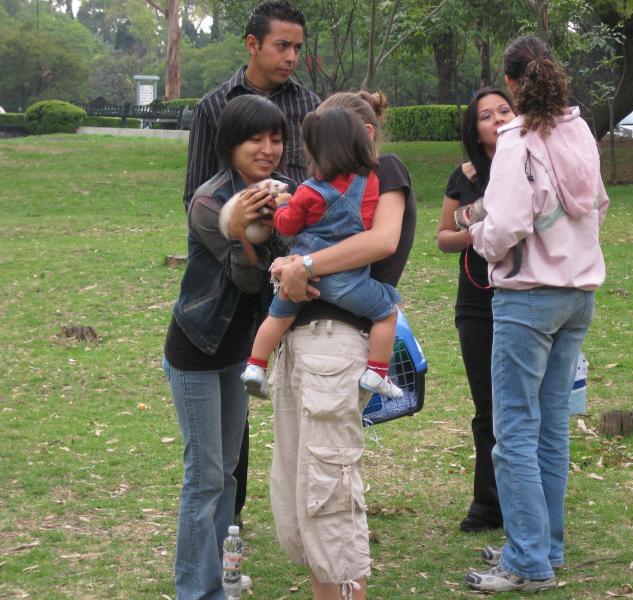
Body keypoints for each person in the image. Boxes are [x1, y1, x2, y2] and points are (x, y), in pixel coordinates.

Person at [463, 36, 609, 593]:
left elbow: (504, 225)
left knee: (515, 432)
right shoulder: (580, 131)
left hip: (527, 298)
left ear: (512, 82)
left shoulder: (516, 140)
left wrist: (477, 235)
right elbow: (597, 205)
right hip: (578, 294)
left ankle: (527, 559)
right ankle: (544, 544)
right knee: (551, 426)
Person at [267, 90, 416, 600]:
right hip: (301, 344)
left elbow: (382, 241)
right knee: (301, 489)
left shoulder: (384, 170)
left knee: (328, 489)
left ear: (364, 134)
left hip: (335, 343)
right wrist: (288, 264)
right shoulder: (329, 186)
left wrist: (304, 265)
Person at [183, 0, 319, 527]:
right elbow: (198, 194)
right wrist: (235, 236)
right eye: (282, 45)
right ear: (252, 44)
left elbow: (323, 182)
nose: (291, 57)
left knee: (303, 388)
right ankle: (229, 520)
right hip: (235, 267)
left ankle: (308, 510)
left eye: (298, 48)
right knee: (232, 400)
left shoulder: (308, 104)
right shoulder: (214, 106)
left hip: (296, 264)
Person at [164, 95, 296, 600]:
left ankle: (218, 580)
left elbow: (293, 257)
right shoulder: (209, 203)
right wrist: (243, 231)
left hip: (238, 350)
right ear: (230, 144)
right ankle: (195, 591)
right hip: (197, 350)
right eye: (254, 139)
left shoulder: (278, 193)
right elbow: (248, 279)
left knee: (227, 475)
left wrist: (284, 221)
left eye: (276, 138)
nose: (267, 149)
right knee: (204, 477)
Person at [242, 107, 404, 400]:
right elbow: (370, 224)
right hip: (347, 279)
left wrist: (283, 205)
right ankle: (377, 373)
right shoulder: (370, 183)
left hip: (303, 275)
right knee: (387, 313)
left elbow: (287, 227)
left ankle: (255, 367)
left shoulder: (307, 190)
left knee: (278, 318)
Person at [435, 87, 514, 533]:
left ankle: (525, 499)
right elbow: (443, 237)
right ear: (474, 129)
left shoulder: (530, 165)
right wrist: (478, 229)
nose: (498, 119)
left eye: (505, 110)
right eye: (487, 115)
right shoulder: (464, 176)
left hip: (524, 295)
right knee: (487, 405)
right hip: (477, 301)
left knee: (522, 405)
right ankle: (487, 503)